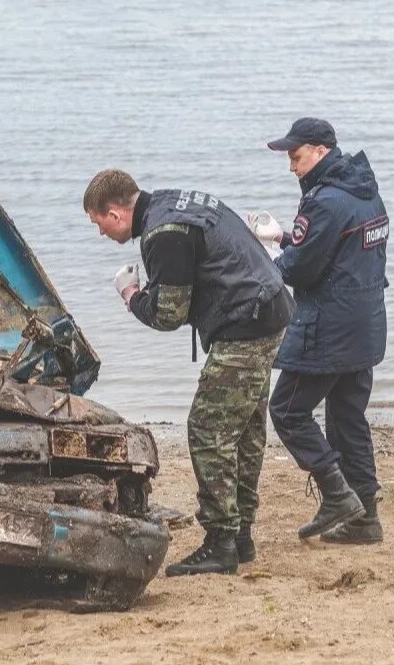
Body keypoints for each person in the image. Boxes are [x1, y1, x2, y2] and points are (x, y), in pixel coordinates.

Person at [84, 169, 293, 575]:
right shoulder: (176, 201)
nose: (100, 234)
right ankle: (240, 535)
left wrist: (131, 296)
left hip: (245, 322)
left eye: (98, 224)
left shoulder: (163, 234)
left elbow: (168, 314)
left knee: (207, 430)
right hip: (270, 309)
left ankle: (220, 542)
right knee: (245, 428)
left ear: (114, 213)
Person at [252, 117, 389, 544]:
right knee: (347, 418)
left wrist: (263, 258)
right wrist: (285, 237)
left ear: (319, 151)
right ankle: (365, 519)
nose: (292, 167)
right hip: (365, 322)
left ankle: (336, 494)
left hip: (328, 327)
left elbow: (300, 270)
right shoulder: (365, 191)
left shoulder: (324, 202)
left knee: (287, 411)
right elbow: (337, 253)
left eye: (295, 157)